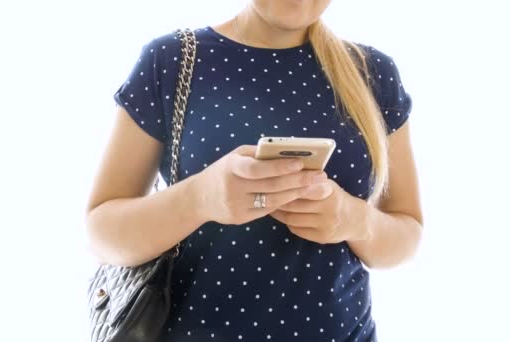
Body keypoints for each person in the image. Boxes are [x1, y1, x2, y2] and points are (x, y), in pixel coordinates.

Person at [85, 0, 424, 341]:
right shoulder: (171, 60)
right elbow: (100, 234)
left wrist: (355, 220)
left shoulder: (373, 73)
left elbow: (407, 233)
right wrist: (200, 198)